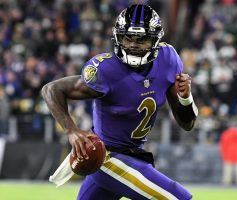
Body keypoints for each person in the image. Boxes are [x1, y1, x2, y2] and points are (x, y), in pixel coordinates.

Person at [42, 4, 198, 200]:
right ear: (118, 37)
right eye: (128, 38)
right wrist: (71, 130)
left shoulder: (168, 60)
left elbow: (187, 124)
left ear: (155, 41)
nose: (133, 44)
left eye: (141, 39)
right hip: (105, 157)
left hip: (134, 155)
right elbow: (51, 89)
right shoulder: (106, 70)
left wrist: (186, 98)